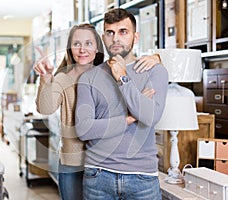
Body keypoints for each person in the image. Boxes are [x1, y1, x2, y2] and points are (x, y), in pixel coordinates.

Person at [34, 23, 161, 200]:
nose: (82, 49)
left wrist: (157, 57)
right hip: (74, 163)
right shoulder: (63, 78)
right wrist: (46, 78)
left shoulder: (112, 72)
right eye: (76, 43)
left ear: (97, 48)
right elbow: (45, 108)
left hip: (105, 163)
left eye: (88, 43)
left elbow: (135, 67)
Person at [75, 8, 168, 200]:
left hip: (142, 177)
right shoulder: (88, 78)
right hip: (97, 175)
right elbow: (84, 129)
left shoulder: (155, 72)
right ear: (104, 37)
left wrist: (122, 78)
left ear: (135, 36)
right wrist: (129, 118)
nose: (116, 38)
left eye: (123, 32)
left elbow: (151, 117)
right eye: (110, 33)